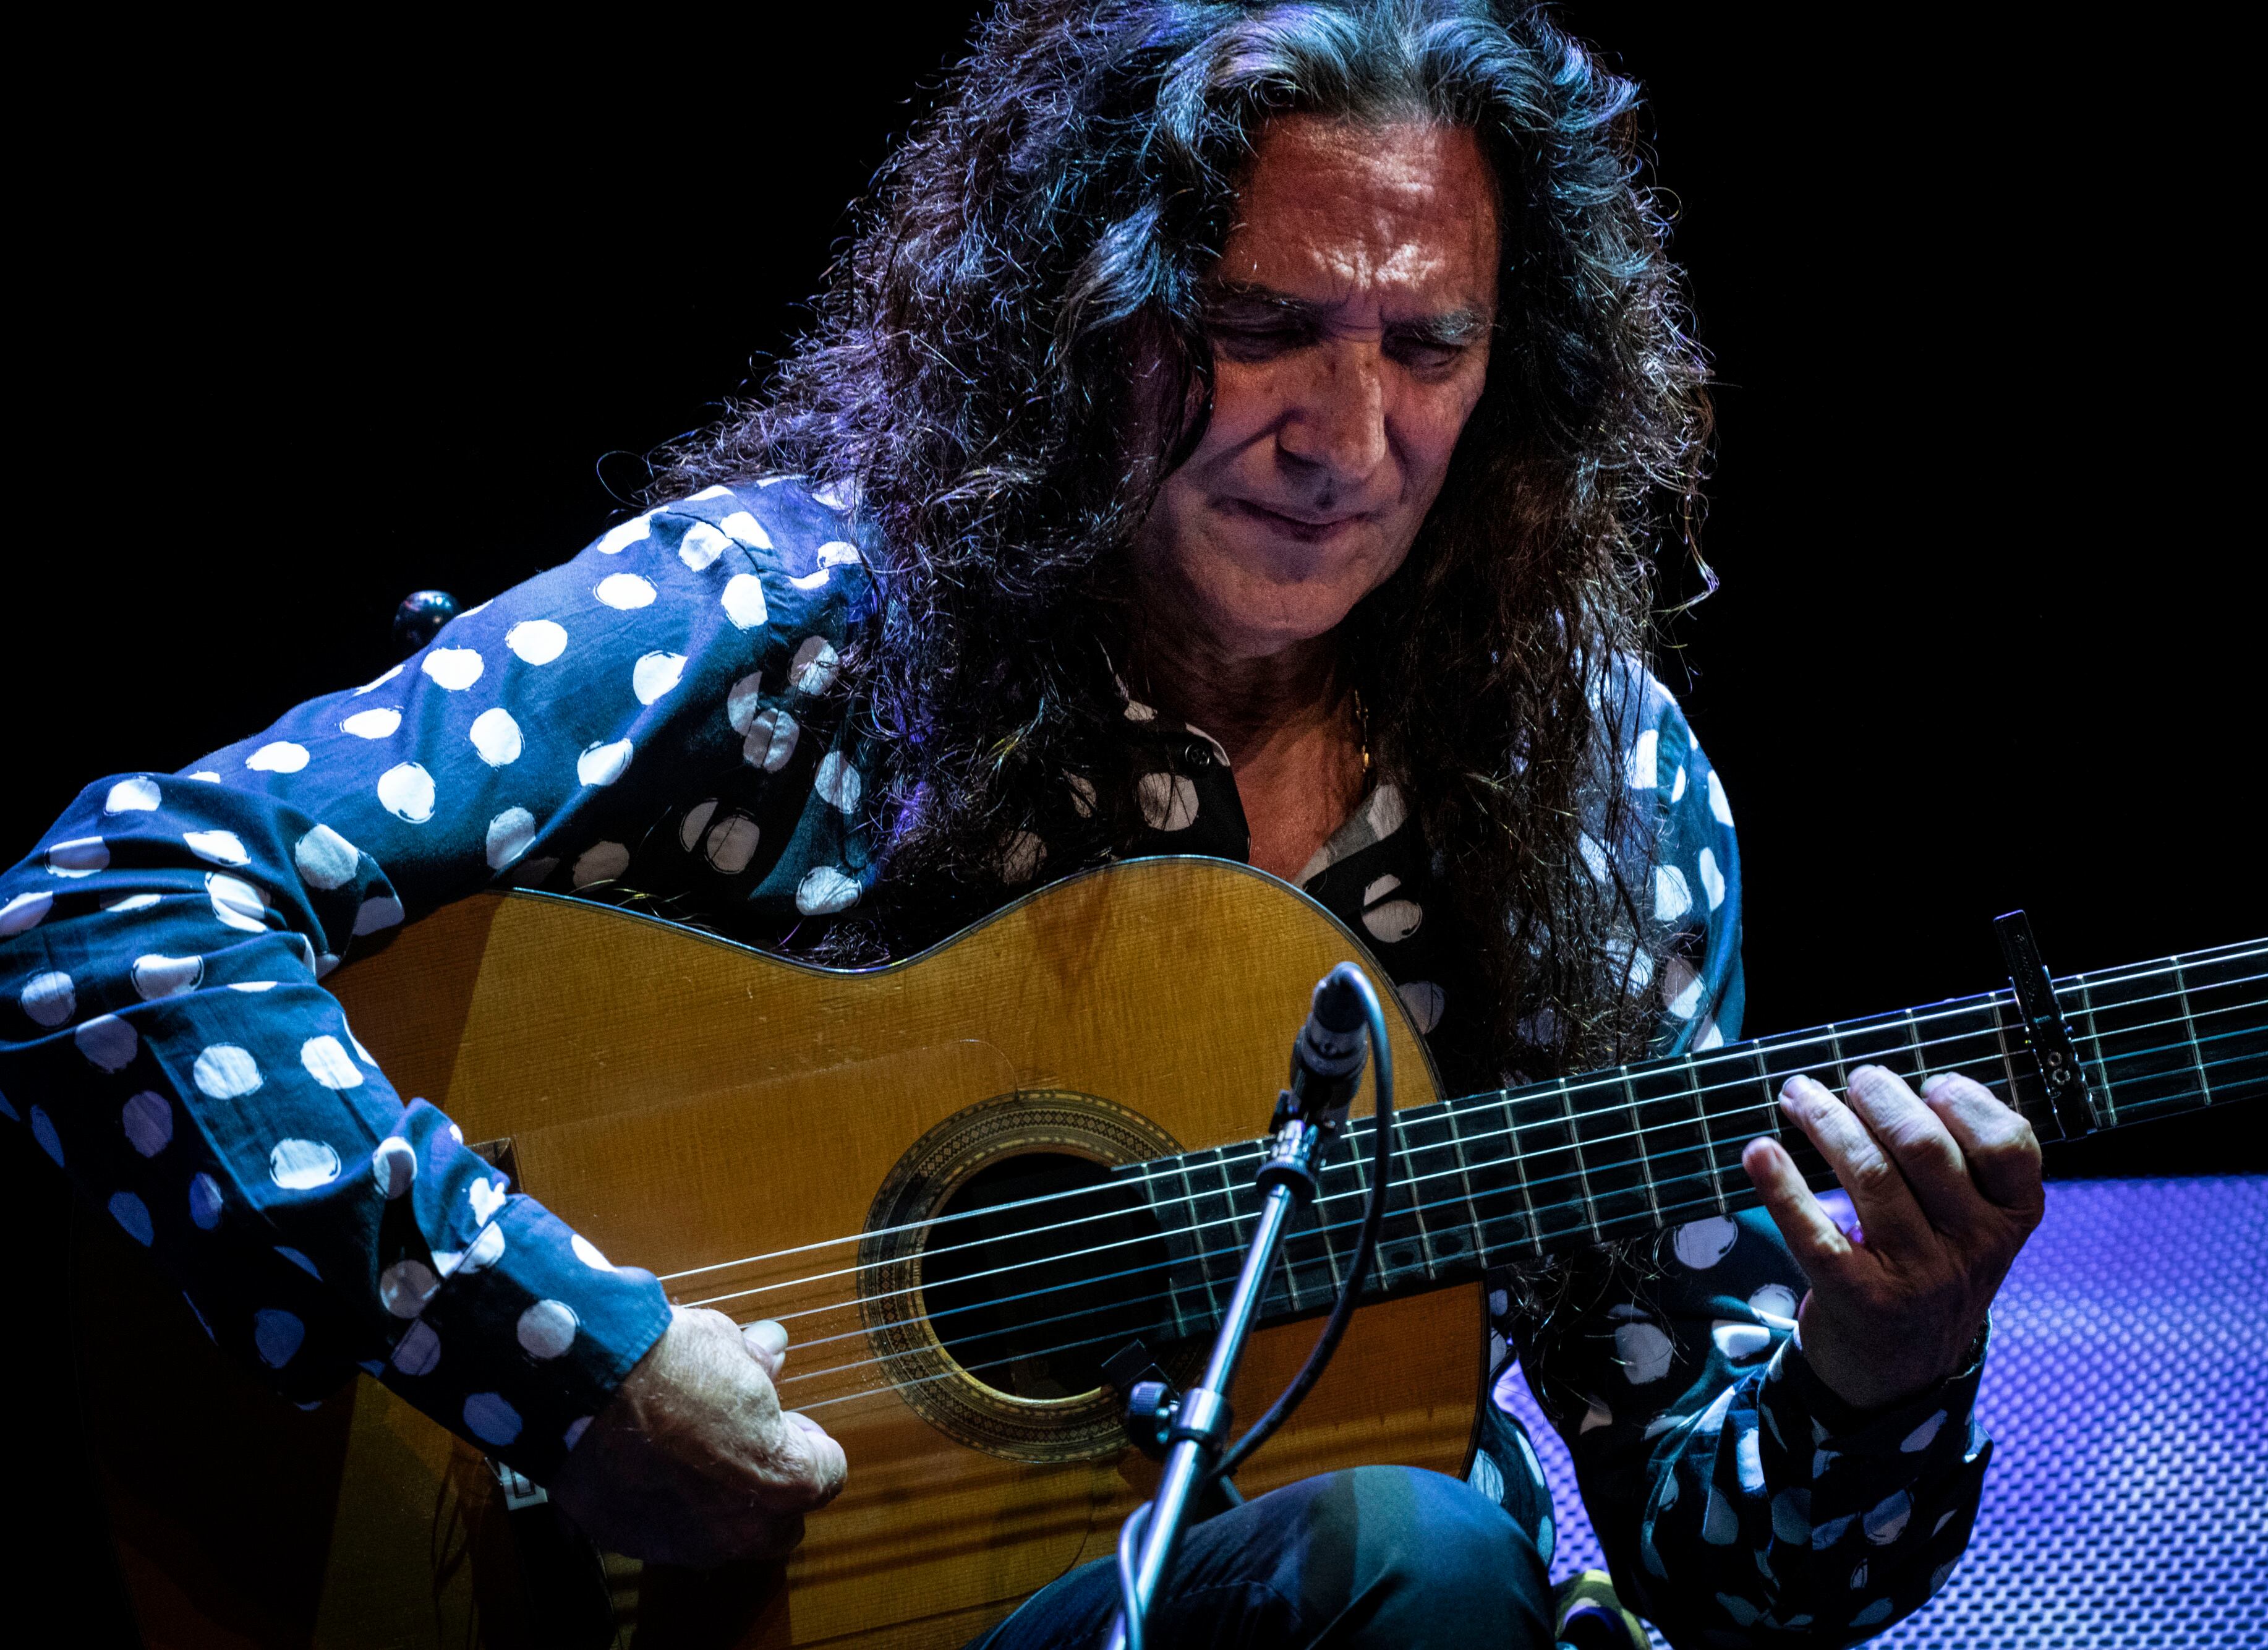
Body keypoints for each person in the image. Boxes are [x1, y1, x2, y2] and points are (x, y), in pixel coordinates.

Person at [0, 3, 2044, 1645]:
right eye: (1256, 330)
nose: (1346, 440)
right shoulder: (788, 631)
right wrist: (561, 1360)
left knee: (1417, 1563)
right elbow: (109, 914)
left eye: (1428, 345)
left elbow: (1748, 1586)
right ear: (1086, 307)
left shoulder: (1602, 800)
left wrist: (1883, 1366)